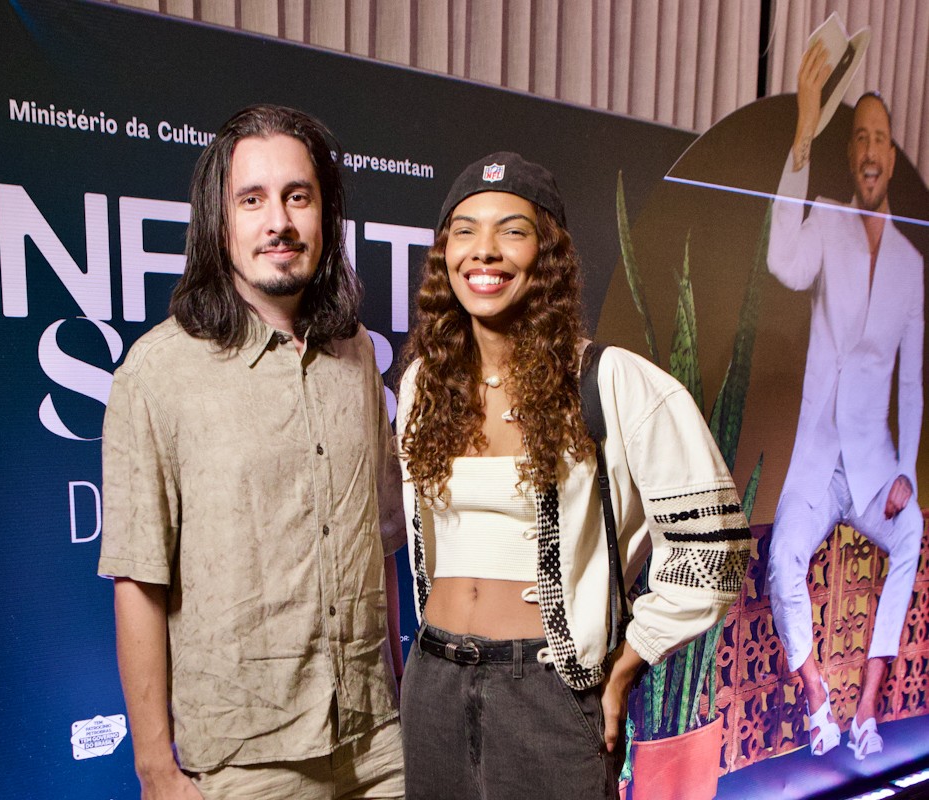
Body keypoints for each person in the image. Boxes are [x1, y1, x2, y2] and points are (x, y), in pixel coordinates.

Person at [395, 152, 751, 799]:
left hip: (547, 692)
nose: (484, 250)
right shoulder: (423, 384)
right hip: (433, 684)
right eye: (465, 230)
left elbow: (715, 549)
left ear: (549, 255)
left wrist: (626, 665)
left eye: (512, 230)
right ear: (445, 255)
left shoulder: (610, 381)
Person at [98, 104, 405, 800]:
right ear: (220, 220)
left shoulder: (356, 353)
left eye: (298, 197)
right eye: (252, 200)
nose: (279, 222)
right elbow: (139, 579)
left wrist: (396, 685)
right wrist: (155, 769)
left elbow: (382, 538)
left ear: (324, 215)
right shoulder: (157, 373)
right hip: (247, 762)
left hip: (378, 743)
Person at [766, 41, 924, 761]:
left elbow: (910, 382)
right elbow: (782, 261)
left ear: (891, 157)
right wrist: (803, 133)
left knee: (912, 535)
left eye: (879, 137)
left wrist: (906, 472)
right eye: (857, 136)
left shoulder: (910, 265)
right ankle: (818, 703)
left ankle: (865, 711)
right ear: (851, 153)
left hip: (872, 466)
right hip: (815, 459)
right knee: (781, 561)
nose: (868, 148)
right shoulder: (826, 219)